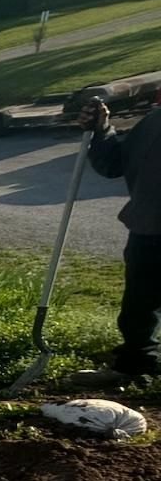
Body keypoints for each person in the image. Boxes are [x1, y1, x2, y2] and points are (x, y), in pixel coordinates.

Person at [79, 97, 159, 379]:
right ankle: (138, 366)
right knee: (138, 307)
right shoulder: (154, 121)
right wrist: (101, 131)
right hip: (149, 229)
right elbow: (114, 162)